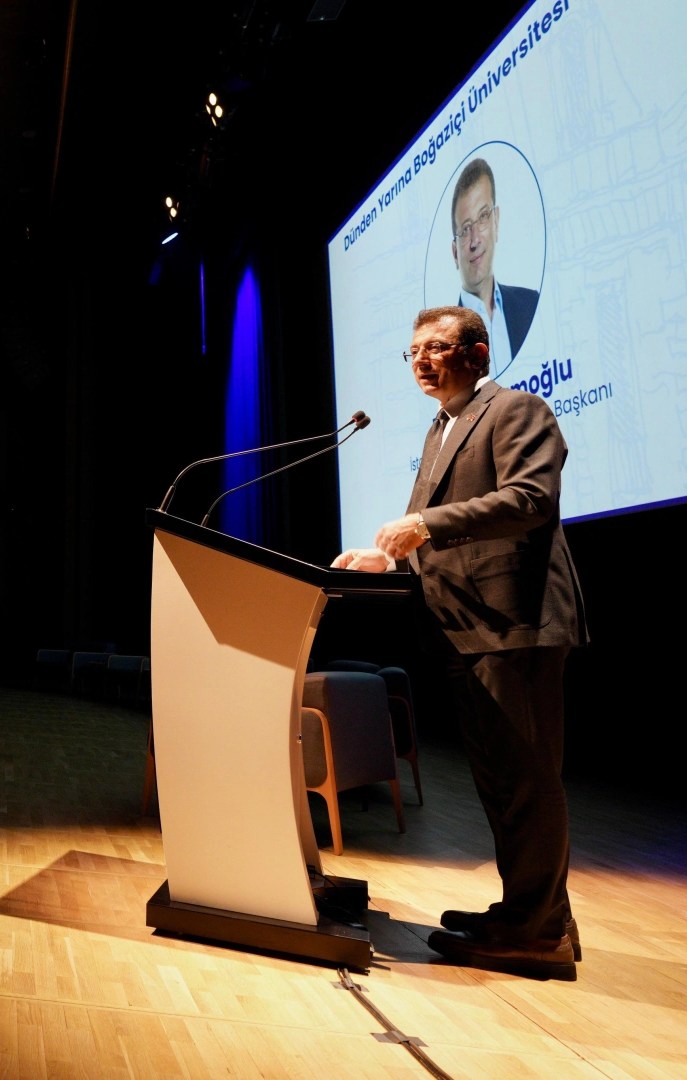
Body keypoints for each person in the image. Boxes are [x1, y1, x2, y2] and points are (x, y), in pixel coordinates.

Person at [334, 305, 586, 981]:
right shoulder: (441, 429)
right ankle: (529, 915)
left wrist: (422, 524)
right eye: (411, 350)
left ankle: (537, 932)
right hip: (467, 626)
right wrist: (384, 560)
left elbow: (531, 498)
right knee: (504, 784)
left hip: (515, 622)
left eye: (436, 347)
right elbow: (428, 537)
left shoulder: (513, 409)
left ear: (475, 354)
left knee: (527, 781)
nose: (420, 359)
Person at [450, 158, 539, 362]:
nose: (475, 240)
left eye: (482, 217)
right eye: (465, 229)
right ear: (455, 253)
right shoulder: (447, 349)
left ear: (495, 222)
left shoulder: (530, 304)